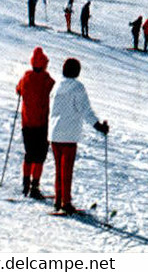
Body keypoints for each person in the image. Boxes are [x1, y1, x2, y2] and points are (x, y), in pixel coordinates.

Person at [49, 57, 109, 214]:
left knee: (59, 170)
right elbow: (85, 110)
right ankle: (66, 203)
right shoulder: (77, 87)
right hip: (68, 134)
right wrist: (98, 126)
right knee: (66, 170)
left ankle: (59, 199)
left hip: (55, 133)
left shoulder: (57, 86)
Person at [15, 47, 55, 199]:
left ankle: (25, 184)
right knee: (40, 156)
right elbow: (53, 86)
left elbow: (18, 90)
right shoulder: (46, 79)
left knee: (29, 155)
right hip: (42, 124)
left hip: (27, 124)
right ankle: (34, 186)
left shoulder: (26, 77)